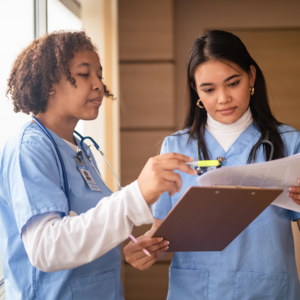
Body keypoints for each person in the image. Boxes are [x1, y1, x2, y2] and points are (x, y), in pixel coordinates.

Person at [0, 31, 197, 299]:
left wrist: (123, 246)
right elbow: (46, 248)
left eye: (100, 76)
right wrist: (136, 194)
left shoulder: (80, 149)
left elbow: (87, 227)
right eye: (84, 74)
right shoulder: (29, 148)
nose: (98, 85)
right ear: (48, 84)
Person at [124, 30, 300, 300]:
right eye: (209, 89)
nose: (223, 98)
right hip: (195, 290)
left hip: (267, 289)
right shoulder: (175, 147)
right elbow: (161, 231)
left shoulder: (289, 143)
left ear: (251, 77)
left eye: (233, 83)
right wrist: (144, 248)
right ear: (196, 89)